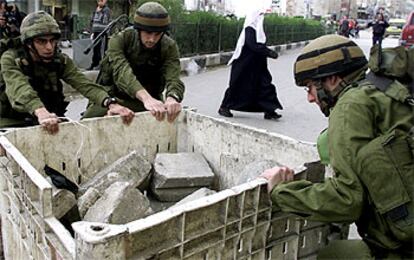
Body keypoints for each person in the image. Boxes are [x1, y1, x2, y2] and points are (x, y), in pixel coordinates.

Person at [260, 35, 413, 259]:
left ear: (331, 80)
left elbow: (347, 201)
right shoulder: (386, 89)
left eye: (310, 87)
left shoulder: (351, 106)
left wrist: (281, 191)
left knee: (331, 255)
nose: (310, 98)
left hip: (404, 250)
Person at [0, 11, 135, 134]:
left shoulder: (60, 60)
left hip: (47, 118)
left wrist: (110, 103)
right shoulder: (11, 59)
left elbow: (83, 83)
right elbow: (19, 88)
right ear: (29, 43)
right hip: (11, 120)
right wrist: (40, 111)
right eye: (41, 41)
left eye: (52, 40)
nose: (49, 47)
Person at [83, 2, 184, 123]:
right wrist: (145, 98)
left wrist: (172, 97)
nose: (152, 39)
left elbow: (174, 77)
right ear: (139, 30)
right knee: (87, 125)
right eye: (148, 33)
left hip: (149, 101)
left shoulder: (168, 46)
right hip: (114, 98)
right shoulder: (120, 40)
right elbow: (122, 72)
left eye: (157, 34)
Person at [218, 8, 282, 120]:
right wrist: (269, 52)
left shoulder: (258, 31)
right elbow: (254, 46)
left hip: (258, 66)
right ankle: (224, 107)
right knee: (237, 86)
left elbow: (259, 46)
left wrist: (267, 52)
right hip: (245, 66)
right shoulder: (249, 30)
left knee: (265, 86)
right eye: (260, 16)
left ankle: (269, 110)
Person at [88, 0, 111, 70]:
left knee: (102, 49)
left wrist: (99, 11)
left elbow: (105, 20)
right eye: (98, 1)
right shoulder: (95, 9)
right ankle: (94, 63)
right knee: (95, 49)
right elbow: (92, 20)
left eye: (102, 1)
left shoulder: (106, 10)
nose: (100, 2)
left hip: (103, 32)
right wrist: (91, 31)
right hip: (96, 31)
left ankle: (102, 64)